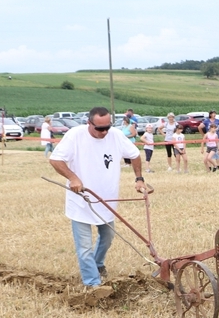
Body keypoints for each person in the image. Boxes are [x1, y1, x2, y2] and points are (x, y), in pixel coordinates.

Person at [49, 107, 147, 290]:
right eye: (99, 128)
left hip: (107, 200)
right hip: (81, 200)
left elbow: (134, 155)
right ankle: (93, 284)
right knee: (84, 247)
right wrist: (73, 178)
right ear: (89, 123)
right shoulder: (75, 136)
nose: (104, 132)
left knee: (108, 237)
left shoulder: (116, 135)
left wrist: (139, 179)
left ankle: (98, 264)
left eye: (107, 128)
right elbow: (55, 160)